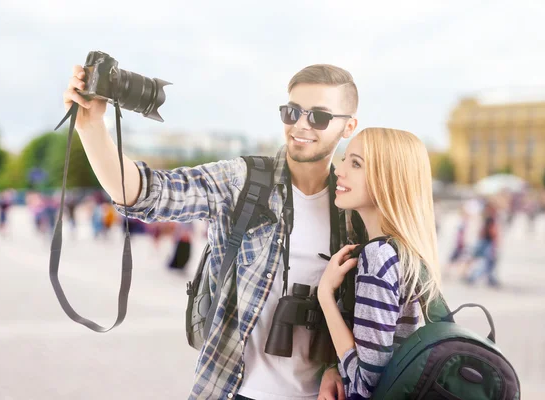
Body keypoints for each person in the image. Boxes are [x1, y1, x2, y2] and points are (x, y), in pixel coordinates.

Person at [63, 63, 362, 399]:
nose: (300, 125)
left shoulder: (355, 208)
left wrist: (336, 366)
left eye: (318, 117)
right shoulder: (243, 181)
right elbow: (147, 192)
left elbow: (366, 309)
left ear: (348, 126)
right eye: (291, 112)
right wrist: (91, 127)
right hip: (232, 390)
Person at [317, 128, 441, 399]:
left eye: (356, 163)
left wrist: (325, 296)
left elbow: (366, 383)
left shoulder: (379, 256)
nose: (339, 170)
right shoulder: (407, 251)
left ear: (388, 180)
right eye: (345, 159)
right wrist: (333, 369)